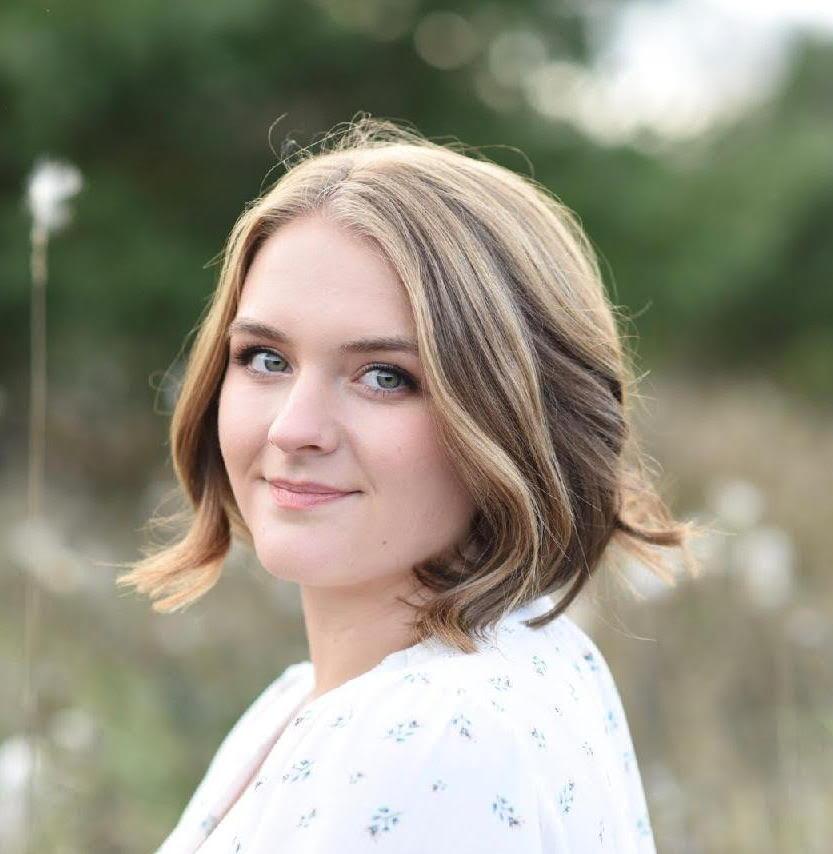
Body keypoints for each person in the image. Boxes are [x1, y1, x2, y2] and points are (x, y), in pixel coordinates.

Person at [117, 116, 701, 853]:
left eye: (385, 377)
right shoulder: (329, 700)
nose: (294, 429)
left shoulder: (435, 738)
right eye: (266, 358)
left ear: (516, 414)